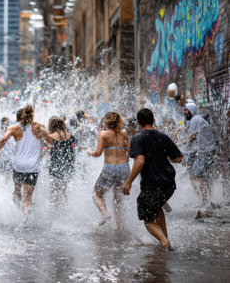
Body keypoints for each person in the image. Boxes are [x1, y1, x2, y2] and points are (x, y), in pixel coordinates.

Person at [122, 108, 183, 250]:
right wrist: (162, 157)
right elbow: (178, 158)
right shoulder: (163, 136)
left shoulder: (138, 138)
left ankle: (164, 242)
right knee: (156, 209)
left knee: (148, 219)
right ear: (153, 121)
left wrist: (128, 182)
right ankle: (165, 241)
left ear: (138, 122)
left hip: (152, 184)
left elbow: (140, 162)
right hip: (168, 183)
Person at [0, 105, 53, 216]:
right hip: (32, 167)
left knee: (17, 190)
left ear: (17, 118)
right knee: (27, 197)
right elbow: (50, 140)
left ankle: (15, 212)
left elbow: (3, 139)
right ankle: (24, 221)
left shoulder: (13, 128)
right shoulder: (37, 126)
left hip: (18, 166)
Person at [86, 111, 130, 229]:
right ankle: (120, 226)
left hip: (110, 167)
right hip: (124, 167)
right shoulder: (125, 133)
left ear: (106, 122)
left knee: (97, 194)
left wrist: (90, 152)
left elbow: (98, 153)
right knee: (117, 199)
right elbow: (129, 152)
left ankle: (105, 214)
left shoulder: (103, 134)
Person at [184, 102, 217, 206]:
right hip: (207, 151)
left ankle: (205, 202)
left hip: (206, 152)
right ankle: (206, 200)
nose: (184, 112)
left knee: (197, 176)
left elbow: (192, 137)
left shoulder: (195, 120)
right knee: (195, 175)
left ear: (191, 111)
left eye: (186, 110)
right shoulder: (197, 119)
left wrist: (178, 144)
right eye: (184, 110)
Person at [48, 117, 77, 206]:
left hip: (55, 166)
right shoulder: (70, 135)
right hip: (68, 165)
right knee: (64, 191)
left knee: (54, 190)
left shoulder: (51, 136)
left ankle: (54, 210)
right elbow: (73, 148)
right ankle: (64, 210)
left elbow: (49, 150)